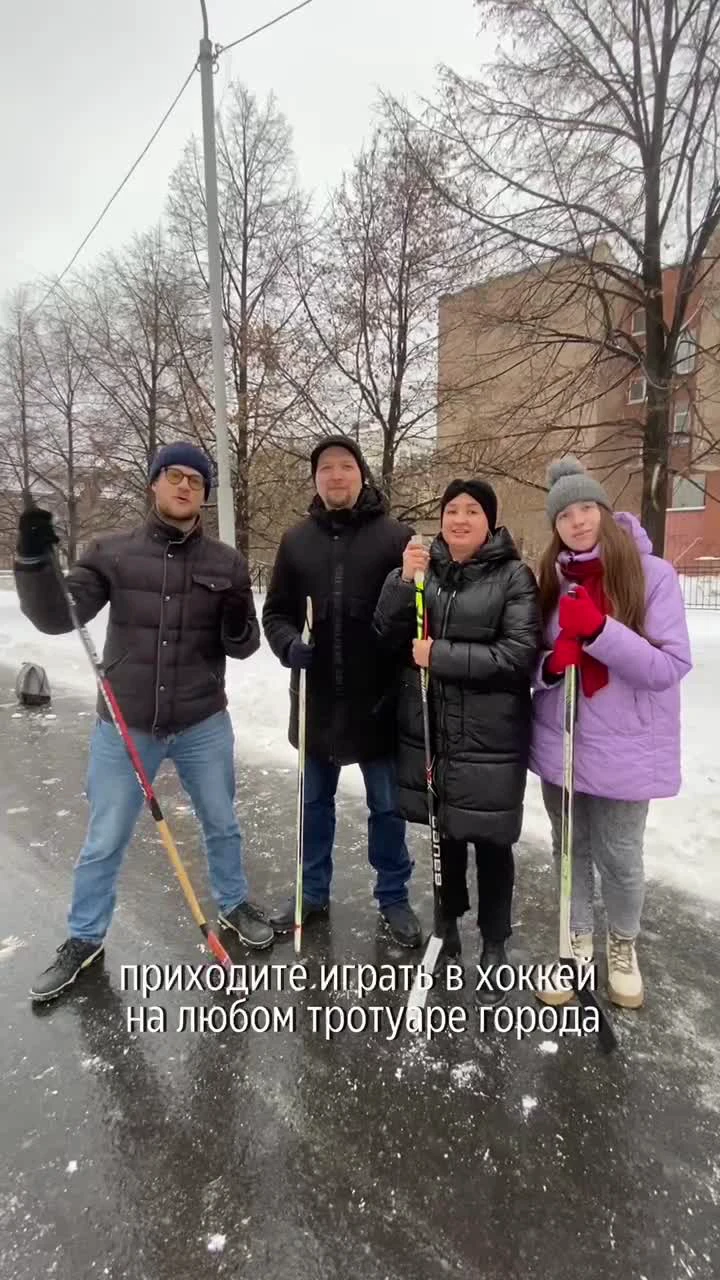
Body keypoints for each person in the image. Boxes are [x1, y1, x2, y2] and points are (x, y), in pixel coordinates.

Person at [15, 441, 273, 1003]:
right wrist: (34, 563)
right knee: (105, 838)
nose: (184, 486)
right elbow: (59, 617)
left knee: (223, 823)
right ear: (155, 483)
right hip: (126, 723)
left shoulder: (225, 562)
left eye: (196, 481)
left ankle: (233, 905)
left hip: (202, 719)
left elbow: (245, 645)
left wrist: (235, 619)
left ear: (204, 496)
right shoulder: (112, 552)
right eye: (174, 476)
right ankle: (84, 938)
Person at [530, 457, 692, 1009]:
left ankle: (622, 944)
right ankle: (574, 943)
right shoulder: (548, 581)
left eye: (585, 509)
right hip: (564, 741)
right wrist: (552, 663)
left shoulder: (653, 576)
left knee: (620, 856)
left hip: (628, 747)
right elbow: (530, 660)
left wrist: (600, 632)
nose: (577, 522)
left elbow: (668, 667)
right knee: (569, 851)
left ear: (602, 510)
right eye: (564, 515)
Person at [373, 479, 541, 1004]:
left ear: (489, 522)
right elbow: (385, 634)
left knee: (492, 842)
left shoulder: (515, 576)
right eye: (451, 510)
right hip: (435, 732)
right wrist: (405, 579)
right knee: (444, 833)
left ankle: (494, 943)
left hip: (490, 737)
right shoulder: (426, 574)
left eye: (472, 511)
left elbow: (518, 655)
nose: (460, 519)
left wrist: (439, 655)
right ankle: (447, 925)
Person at [261, 436, 422, 947]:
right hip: (316, 704)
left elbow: (415, 615)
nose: (335, 476)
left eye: (345, 467)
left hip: (376, 704)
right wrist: (288, 644)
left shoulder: (396, 537)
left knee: (387, 808)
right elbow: (276, 613)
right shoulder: (295, 541)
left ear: (362, 475)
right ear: (316, 479)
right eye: (326, 468)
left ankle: (394, 896)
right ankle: (312, 892)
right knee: (314, 806)